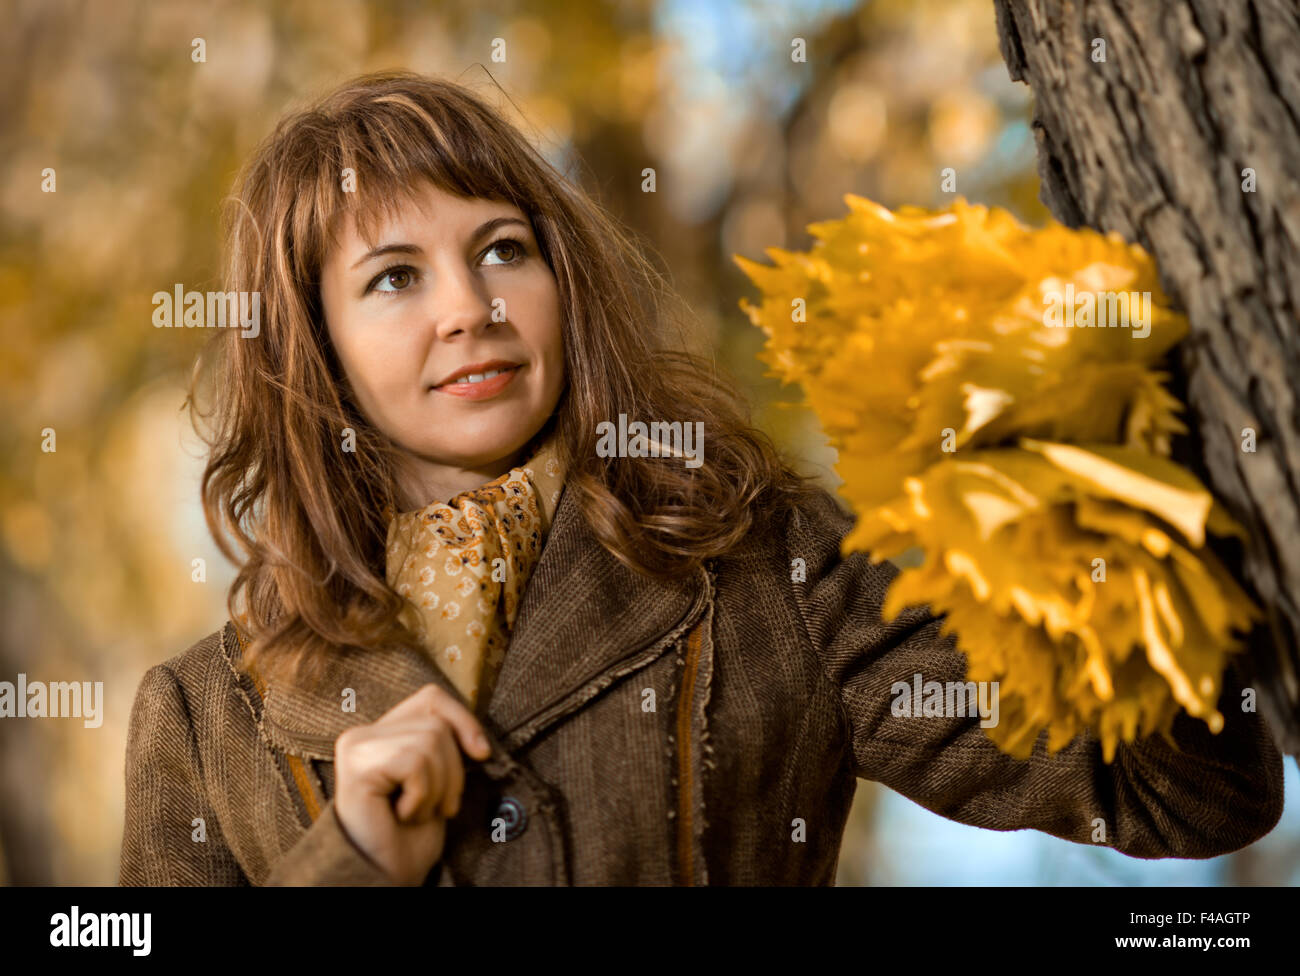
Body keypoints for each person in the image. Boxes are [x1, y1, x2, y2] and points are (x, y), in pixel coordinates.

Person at [118, 71, 1285, 886]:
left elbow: (1178, 795)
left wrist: (1104, 513)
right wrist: (355, 867)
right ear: (308, 344)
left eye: (501, 251)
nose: (469, 310)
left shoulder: (765, 560)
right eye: (391, 278)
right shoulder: (203, 713)